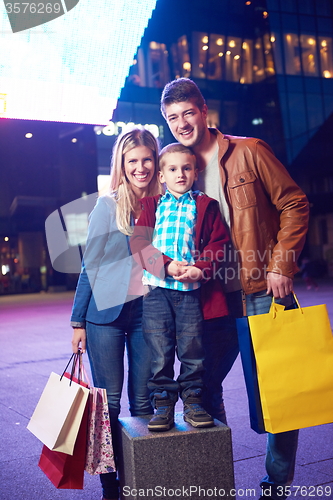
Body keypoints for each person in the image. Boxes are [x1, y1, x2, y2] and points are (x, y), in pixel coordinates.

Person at [160, 78, 309, 500]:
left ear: (204, 112)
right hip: (212, 299)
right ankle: (215, 478)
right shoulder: (176, 168)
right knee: (202, 388)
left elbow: (294, 203)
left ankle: (276, 483)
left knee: (279, 392)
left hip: (262, 290)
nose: (182, 123)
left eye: (188, 113)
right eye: (173, 118)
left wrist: (282, 263)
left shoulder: (249, 151)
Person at [70, 128, 162, 500]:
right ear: (121, 166)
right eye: (132, 161)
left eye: (146, 159)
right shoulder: (107, 206)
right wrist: (78, 321)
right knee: (108, 406)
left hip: (147, 313)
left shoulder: (165, 204)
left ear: (156, 161)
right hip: (103, 317)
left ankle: (138, 480)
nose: (140, 167)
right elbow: (89, 265)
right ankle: (113, 487)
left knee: (143, 402)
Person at [130, 142, 229, 431]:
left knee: (192, 348)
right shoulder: (152, 206)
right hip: (157, 291)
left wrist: (200, 269)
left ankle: (194, 402)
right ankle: (162, 404)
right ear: (161, 176)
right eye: (173, 169)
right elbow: (138, 244)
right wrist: (165, 265)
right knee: (159, 350)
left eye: (186, 168)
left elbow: (218, 244)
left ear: (196, 172)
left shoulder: (205, 206)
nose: (180, 174)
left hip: (190, 293)